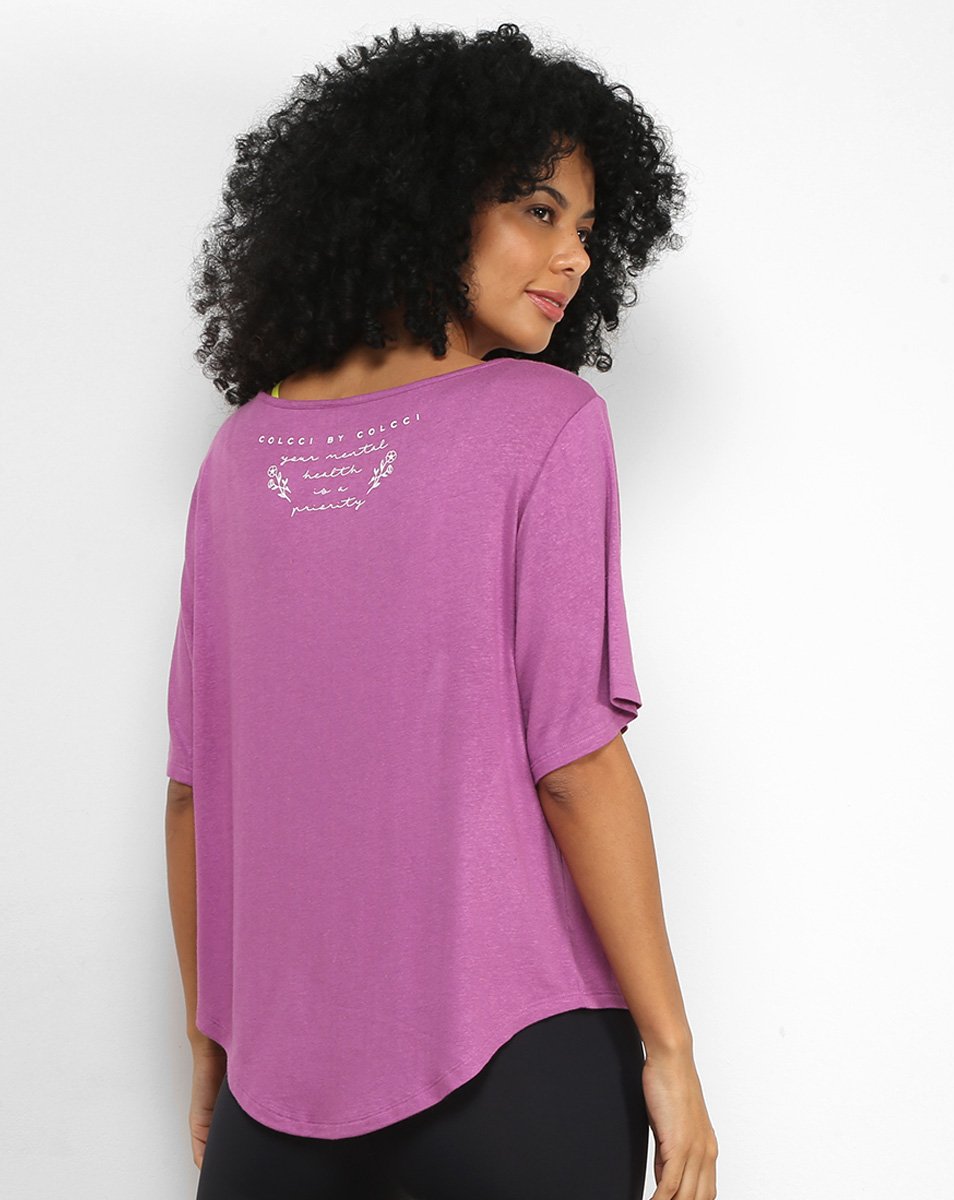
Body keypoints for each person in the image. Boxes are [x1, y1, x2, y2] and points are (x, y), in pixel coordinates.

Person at [163, 22, 717, 1200]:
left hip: (278, 1087)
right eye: (538, 210)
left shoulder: (241, 454)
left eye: (586, 228)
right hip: (525, 1061)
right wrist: (670, 1050)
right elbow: (576, 763)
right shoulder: (544, 422)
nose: (572, 257)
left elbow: (193, 791)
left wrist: (212, 1037)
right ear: (425, 201)